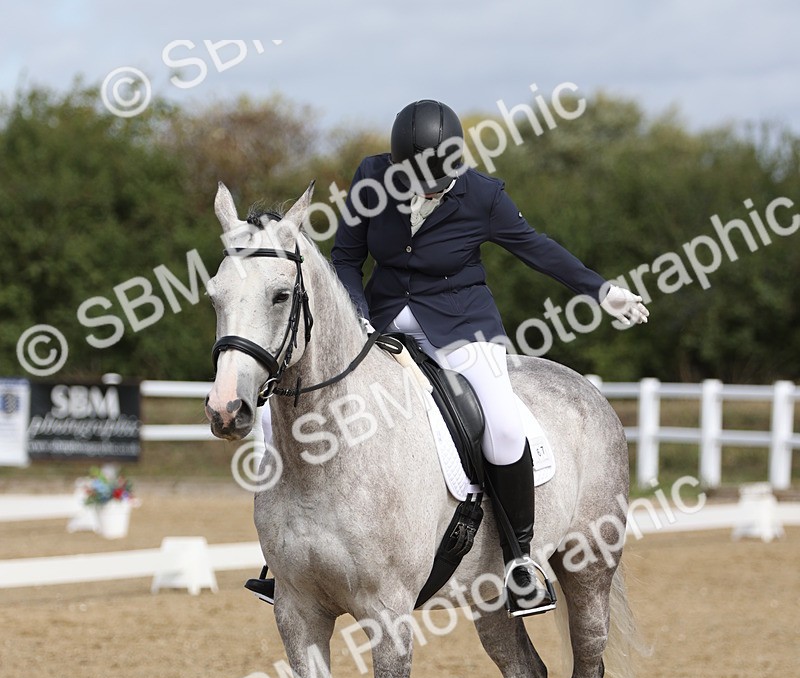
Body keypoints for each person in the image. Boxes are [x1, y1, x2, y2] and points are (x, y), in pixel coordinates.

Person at [246, 98, 648, 615]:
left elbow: (536, 247)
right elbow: (347, 256)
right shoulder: (372, 177)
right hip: (381, 323)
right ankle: (285, 561)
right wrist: (359, 314)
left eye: (433, 181)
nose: (423, 191)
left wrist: (601, 291)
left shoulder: (483, 195)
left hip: (462, 328)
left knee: (503, 425)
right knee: (279, 409)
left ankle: (520, 561)